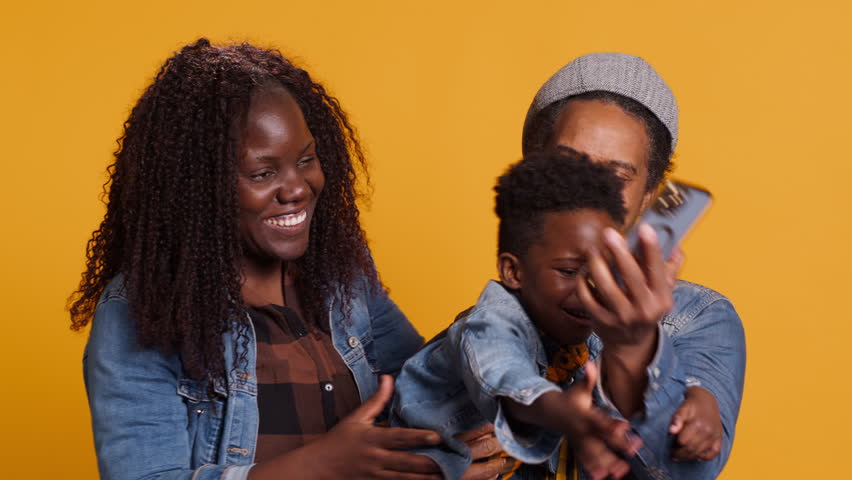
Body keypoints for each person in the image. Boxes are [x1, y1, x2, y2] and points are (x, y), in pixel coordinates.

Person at [69, 38, 512, 480]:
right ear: (199, 188)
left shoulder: (342, 278)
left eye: (306, 160)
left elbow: (420, 399)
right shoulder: (141, 310)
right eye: (263, 173)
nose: (296, 188)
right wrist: (322, 466)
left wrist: (507, 329)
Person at [521, 52, 746, 478]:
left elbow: (687, 473)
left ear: (648, 196)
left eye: (617, 177)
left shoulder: (700, 319)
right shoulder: (492, 317)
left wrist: (634, 348)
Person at [391, 150, 652, 480]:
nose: (592, 288)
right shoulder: (489, 324)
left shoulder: (590, 329)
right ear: (513, 271)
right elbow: (511, 382)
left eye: (605, 270)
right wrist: (565, 414)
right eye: (569, 271)